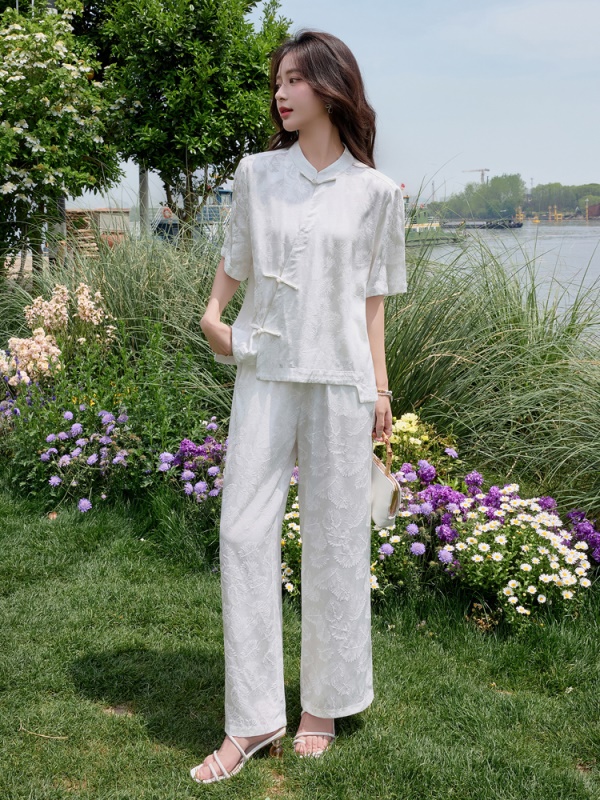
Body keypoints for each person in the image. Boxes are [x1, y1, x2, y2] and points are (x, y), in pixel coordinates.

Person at [190, 29, 406, 784]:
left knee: (338, 539)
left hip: (342, 380)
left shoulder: (378, 193)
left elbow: (373, 300)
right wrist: (213, 316)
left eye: (294, 80)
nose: (280, 94)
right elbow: (235, 261)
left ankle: (325, 704)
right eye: (277, 82)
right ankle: (252, 719)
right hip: (267, 370)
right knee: (242, 532)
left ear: (331, 86)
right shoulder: (256, 174)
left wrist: (382, 390)